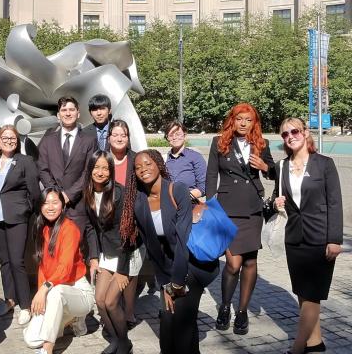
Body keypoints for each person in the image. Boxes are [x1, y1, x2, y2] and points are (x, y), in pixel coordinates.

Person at [133, 149, 219, 354]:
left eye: (147, 163)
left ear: (158, 164)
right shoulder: (139, 200)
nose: (143, 169)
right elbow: (153, 249)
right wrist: (165, 285)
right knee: (173, 322)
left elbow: (183, 239)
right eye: (137, 167)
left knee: (179, 323)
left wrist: (177, 283)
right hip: (169, 269)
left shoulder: (176, 189)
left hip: (191, 265)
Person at [272, 118, 343, 354]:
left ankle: (297, 348)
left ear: (305, 133)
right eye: (284, 134)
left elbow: (335, 203)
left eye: (294, 131)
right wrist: (276, 202)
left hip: (320, 238)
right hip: (294, 238)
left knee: (313, 296)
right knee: (303, 293)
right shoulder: (282, 166)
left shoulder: (324, 164)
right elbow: (278, 198)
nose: (290, 136)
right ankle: (315, 343)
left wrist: (335, 240)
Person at [205, 103, 275, 335]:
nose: (243, 123)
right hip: (228, 209)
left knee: (250, 262)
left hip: (252, 208)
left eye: (248, 119)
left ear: (254, 122)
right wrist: (211, 207)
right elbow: (211, 175)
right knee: (233, 264)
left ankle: (242, 311)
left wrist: (265, 166)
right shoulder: (219, 142)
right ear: (232, 121)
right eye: (239, 119)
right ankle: (225, 306)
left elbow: (275, 172)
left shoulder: (260, 144)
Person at [23, 188, 95, 354]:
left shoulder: (70, 229)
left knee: (56, 294)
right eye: (46, 203)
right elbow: (42, 267)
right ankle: (69, 319)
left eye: (55, 202)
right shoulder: (42, 228)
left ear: (63, 206)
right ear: (40, 207)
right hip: (54, 288)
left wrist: (43, 290)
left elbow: (65, 268)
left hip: (78, 290)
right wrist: (42, 295)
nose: (50, 207)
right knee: (31, 339)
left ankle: (48, 348)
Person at [84, 150, 140, 354]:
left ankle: (124, 343)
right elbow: (90, 228)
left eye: (105, 168)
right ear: (90, 169)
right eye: (96, 167)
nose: (100, 172)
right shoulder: (88, 192)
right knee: (99, 300)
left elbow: (128, 233)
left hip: (126, 253)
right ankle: (117, 338)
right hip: (106, 253)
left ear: (111, 170)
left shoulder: (120, 193)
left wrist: (122, 271)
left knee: (111, 301)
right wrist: (93, 258)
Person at [0, 125, 41, 323]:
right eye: (5, 137)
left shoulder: (24, 161)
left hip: (17, 216)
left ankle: (25, 305)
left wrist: (27, 209)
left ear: (17, 141)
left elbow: (34, 191)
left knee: (17, 261)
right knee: (5, 261)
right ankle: (10, 299)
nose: (9, 141)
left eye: (13, 138)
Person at [37, 96, 98, 237]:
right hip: (53, 206)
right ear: (58, 115)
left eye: (71, 109)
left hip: (78, 206)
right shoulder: (47, 140)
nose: (68, 113)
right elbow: (43, 169)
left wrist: (69, 195)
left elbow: (88, 172)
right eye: (64, 110)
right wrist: (57, 195)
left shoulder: (89, 141)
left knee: (76, 251)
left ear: (78, 113)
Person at [107, 119, 147, 322]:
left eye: (123, 134)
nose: (119, 138)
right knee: (115, 266)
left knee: (131, 268)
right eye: (115, 134)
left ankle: (129, 310)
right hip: (109, 222)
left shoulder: (136, 159)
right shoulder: (104, 160)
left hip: (134, 221)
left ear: (128, 138)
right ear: (109, 138)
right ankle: (113, 305)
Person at [164, 121, 206, 201]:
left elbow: (203, 187)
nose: (174, 137)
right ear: (167, 138)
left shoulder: (195, 157)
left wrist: (183, 198)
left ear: (185, 135)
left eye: (178, 134)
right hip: (169, 206)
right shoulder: (164, 159)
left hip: (189, 204)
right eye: (171, 135)